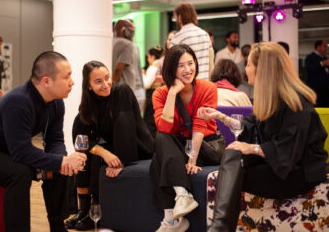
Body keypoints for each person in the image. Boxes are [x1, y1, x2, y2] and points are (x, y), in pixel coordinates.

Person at [0, 51, 86, 232]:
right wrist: (61, 161)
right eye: (67, 76)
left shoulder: (55, 103)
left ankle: (57, 227)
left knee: (57, 162)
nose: (72, 82)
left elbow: (55, 139)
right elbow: (21, 152)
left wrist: (62, 163)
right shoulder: (20, 101)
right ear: (46, 81)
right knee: (20, 173)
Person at [198, 42, 328, 232]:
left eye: (249, 64)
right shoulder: (271, 100)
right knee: (233, 154)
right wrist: (220, 117)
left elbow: (288, 152)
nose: (246, 69)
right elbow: (250, 128)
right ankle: (220, 227)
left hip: (297, 172)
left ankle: (220, 226)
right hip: (278, 165)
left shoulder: (296, 104)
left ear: (263, 70)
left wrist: (253, 149)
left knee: (231, 177)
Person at [67, 61, 154, 230]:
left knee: (97, 160)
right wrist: (102, 151)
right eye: (98, 81)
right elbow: (79, 135)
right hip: (114, 146)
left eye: (107, 78)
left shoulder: (121, 91)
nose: (106, 84)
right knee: (83, 155)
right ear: (89, 86)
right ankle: (83, 210)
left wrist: (119, 161)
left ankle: (95, 210)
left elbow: (125, 128)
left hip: (136, 147)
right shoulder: (90, 102)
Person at [150, 44, 225, 232]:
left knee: (157, 162)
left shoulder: (207, 88)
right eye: (181, 65)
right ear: (170, 69)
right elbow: (164, 127)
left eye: (190, 63)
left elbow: (200, 127)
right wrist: (172, 93)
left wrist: (192, 159)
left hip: (204, 148)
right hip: (178, 148)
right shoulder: (160, 93)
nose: (188, 69)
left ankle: (171, 221)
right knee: (161, 138)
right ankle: (182, 195)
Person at [170, 3, 214, 80]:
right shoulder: (205, 35)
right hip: (205, 83)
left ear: (179, 17)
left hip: (187, 84)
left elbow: (171, 65)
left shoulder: (177, 37)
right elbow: (211, 62)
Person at [112, 19, 145, 111]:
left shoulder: (110, 42)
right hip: (127, 90)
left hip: (117, 90)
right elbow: (119, 68)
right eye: (131, 30)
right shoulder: (127, 44)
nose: (132, 34)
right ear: (123, 30)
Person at [305, 40, 329, 107]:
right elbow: (309, 69)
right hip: (315, 90)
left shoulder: (325, 58)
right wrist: (322, 64)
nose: (326, 48)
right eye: (325, 46)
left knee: (327, 109)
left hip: (326, 90)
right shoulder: (310, 57)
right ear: (318, 47)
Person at [143, 46, 164, 137]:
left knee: (149, 123)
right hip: (159, 94)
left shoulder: (153, 67)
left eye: (148, 57)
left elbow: (146, 84)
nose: (148, 60)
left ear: (153, 57)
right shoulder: (162, 64)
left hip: (151, 95)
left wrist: (143, 74)